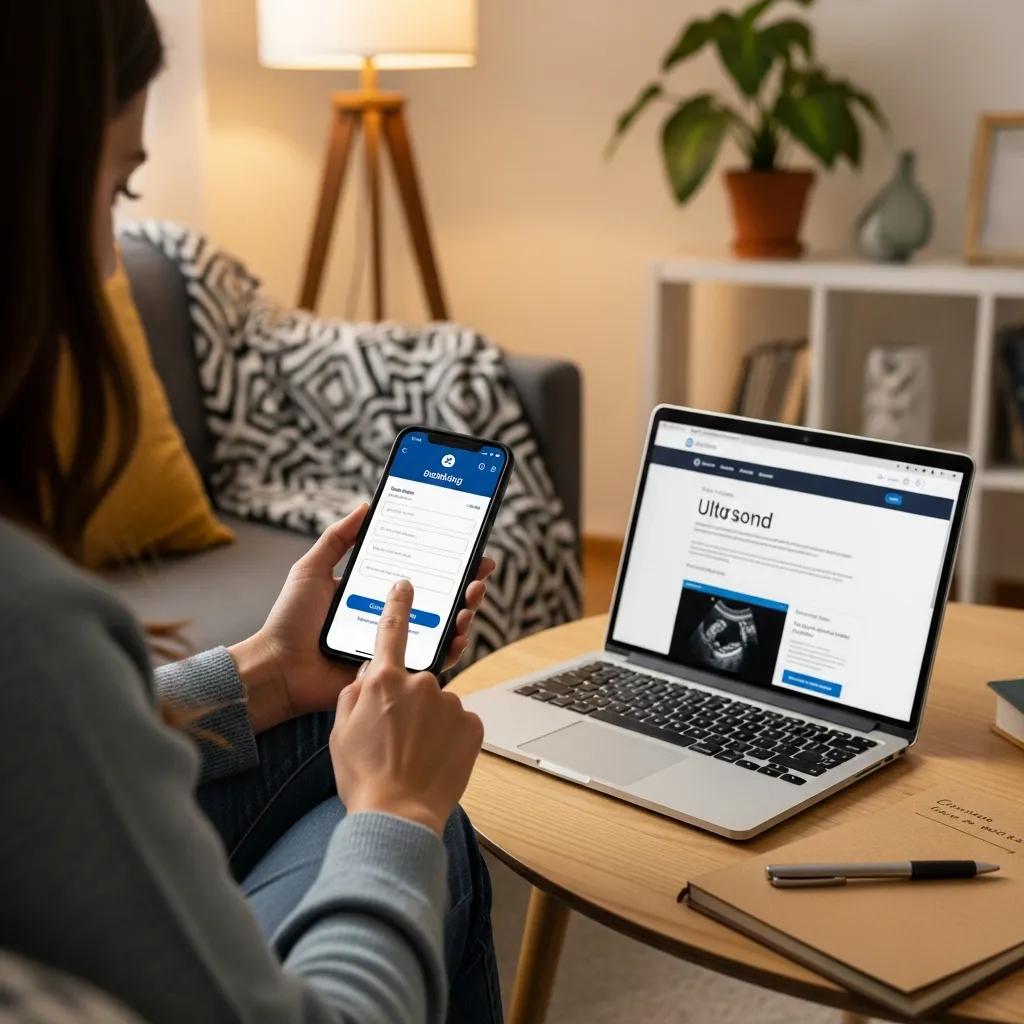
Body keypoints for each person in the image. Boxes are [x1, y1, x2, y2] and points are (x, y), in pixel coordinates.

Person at [0, 2, 503, 1022]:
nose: (110, 263)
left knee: (347, 719)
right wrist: (396, 816)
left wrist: (268, 670)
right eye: (113, 187)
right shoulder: (31, 626)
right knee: (420, 818)